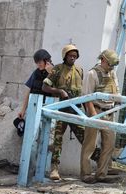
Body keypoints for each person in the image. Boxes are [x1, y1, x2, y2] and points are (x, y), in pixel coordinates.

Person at [42, 44, 99, 180]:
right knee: (57, 139)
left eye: (75, 56)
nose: (73, 58)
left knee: (86, 139)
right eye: (70, 55)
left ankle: (102, 163)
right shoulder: (57, 69)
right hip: (62, 108)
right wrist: (59, 91)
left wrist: (87, 113)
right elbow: (45, 86)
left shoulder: (79, 70)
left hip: (76, 109)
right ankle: (54, 168)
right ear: (65, 56)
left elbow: (84, 92)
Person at [80, 49, 120, 183]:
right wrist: (93, 115)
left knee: (109, 144)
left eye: (113, 65)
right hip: (96, 110)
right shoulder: (92, 74)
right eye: (110, 64)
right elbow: (87, 97)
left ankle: (102, 174)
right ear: (103, 60)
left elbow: (117, 92)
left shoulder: (112, 73)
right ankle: (86, 174)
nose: (111, 67)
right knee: (89, 144)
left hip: (109, 112)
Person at [18, 49, 54, 120]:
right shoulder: (36, 73)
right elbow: (29, 92)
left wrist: (51, 73)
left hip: (48, 109)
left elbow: (58, 90)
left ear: (46, 61)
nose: (38, 65)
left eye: (40, 62)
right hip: (33, 107)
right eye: (37, 63)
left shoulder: (55, 71)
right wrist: (23, 110)